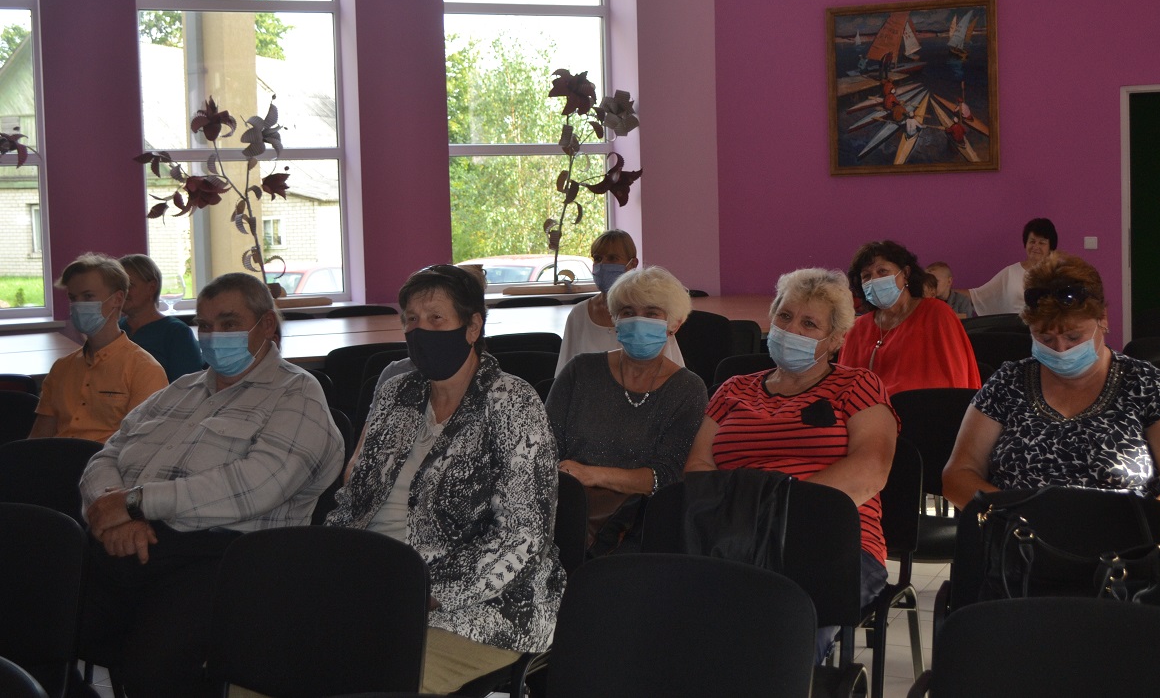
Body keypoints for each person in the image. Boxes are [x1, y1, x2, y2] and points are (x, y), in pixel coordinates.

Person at [78, 272, 344, 698]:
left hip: (229, 560)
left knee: (151, 668)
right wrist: (115, 513)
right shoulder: (180, 390)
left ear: (266, 325)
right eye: (204, 325)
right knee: (36, 625)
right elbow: (106, 456)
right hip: (134, 539)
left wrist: (136, 503)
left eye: (229, 323)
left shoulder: (296, 394)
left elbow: (256, 486)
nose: (214, 335)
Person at [327, 264, 564, 694]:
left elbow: (524, 535)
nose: (420, 331)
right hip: (374, 584)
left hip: (481, 607)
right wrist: (330, 564)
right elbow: (355, 498)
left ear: (472, 327)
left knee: (366, 679)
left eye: (436, 319)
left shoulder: (512, 403)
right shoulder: (396, 393)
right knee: (268, 660)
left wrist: (425, 593)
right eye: (411, 320)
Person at [685, 268, 899, 621]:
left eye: (809, 324)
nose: (791, 330)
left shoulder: (858, 385)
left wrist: (775, 512)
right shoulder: (733, 389)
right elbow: (698, 468)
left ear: (835, 340)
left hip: (828, 539)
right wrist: (743, 520)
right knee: (689, 616)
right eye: (784, 316)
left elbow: (870, 470)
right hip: (732, 538)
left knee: (780, 621)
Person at [941, 253, 1160, 518]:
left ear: (1103, 319)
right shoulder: (1008, 383)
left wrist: (1140, 526)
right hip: (1020, 536)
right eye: (1045, 339)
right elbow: (958, 474)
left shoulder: (1145, 384)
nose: (1061, 349)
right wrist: (1012, 516)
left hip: (1122, 540)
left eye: (1073, 337)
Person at [547, 266, 708, 555]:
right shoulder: (579, 371)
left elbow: (666, 475)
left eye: (651, 313)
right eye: (628, 312)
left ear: (674, 324)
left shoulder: (688, 389)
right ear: (615, 320)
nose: (637, 321)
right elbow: (544, 448)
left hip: (641, 528)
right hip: (564, 513)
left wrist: (593, 475)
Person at [31, 253, 167, 441]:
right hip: (56, 457)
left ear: (117, 299)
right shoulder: (61, 368)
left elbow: (141, 445)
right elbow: (38, 439)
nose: (78, 305)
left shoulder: (144, 370)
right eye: (73, 298)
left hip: (108, 459)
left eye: (88, 296)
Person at [838, 241, 981, 397]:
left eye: (882, 271)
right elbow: (843, 390)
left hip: (922, 409)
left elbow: (956, 385)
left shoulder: (937, 314)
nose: (875, 280)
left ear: (905, 274)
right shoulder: (856, 328)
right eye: (867, 276)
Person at [555, 229, 684, 375]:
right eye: (597, 258)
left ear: (632, 264)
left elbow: (674, 373)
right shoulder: (579, 314)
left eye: (612, 258)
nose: (603, 264)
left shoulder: (650, 316)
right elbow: (564, 373)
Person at [118, 253, 204, 381]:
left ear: (152, 287)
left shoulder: (176, 333)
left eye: (129, 285)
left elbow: (187, 387)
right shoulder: (116, 329)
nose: (121, 292)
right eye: (117, 287)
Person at [959, 217, 1057, 316]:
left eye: (1042, 243)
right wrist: (949, 292)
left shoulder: (1058, 275)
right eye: (1032, 241)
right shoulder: (1011, 273)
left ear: (1050, 247)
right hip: (1013, 326)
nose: (1035, 246)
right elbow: (977, 296)